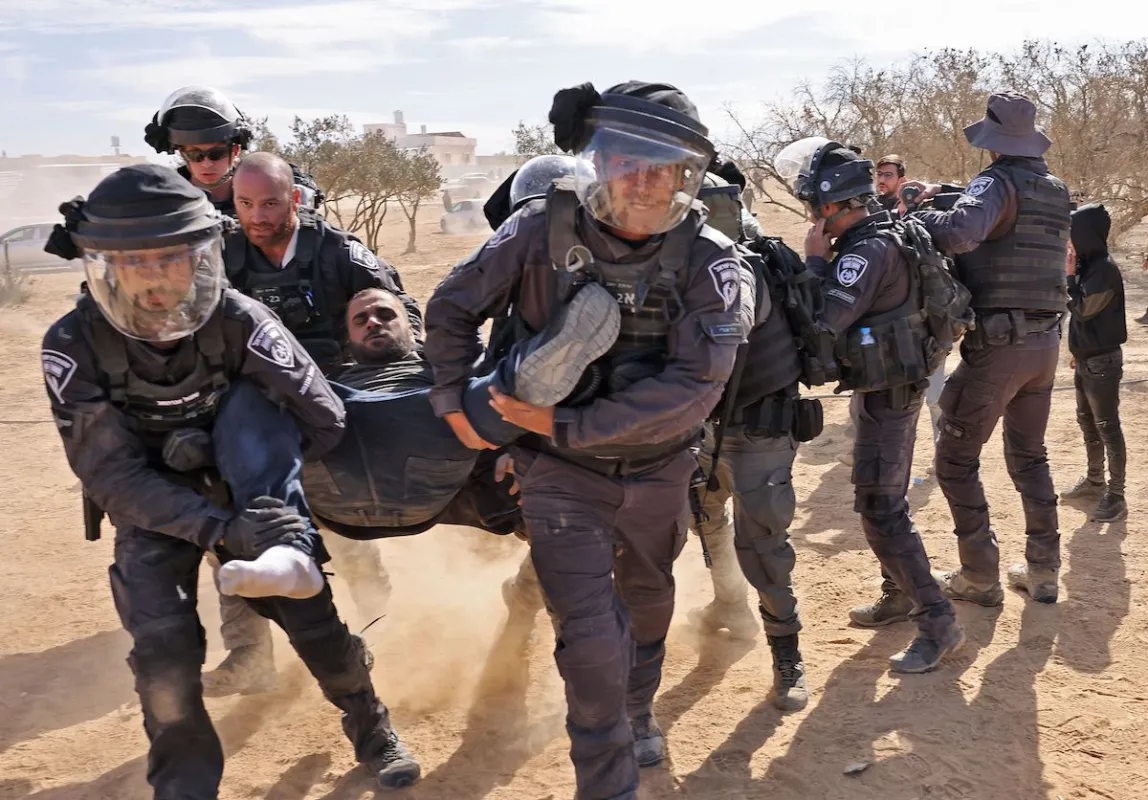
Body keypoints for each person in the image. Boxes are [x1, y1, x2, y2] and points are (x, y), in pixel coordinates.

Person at [38, 164, 421, 796]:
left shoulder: (241, 319)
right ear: (105, 268)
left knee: (314, 624)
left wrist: (257, 469)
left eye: (171, 260)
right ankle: (183, 786)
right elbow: (111, 475)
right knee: (163, 656)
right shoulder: (74, 345)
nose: (157, 280)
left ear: (202, 257)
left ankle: (372, 728)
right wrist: (217, 525)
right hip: (155, 506)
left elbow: (321, 417)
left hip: (252, 493)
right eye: (137, 265)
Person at [425, 81, 746, 798]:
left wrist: (559, 419)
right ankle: (608, 781)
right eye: (631, 161)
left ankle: (639, 709)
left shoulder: (713, 259)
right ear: (599, 161)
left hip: (658, 468)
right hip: (559, 474)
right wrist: (454, 402)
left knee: (649, 598)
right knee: (592, 642)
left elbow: (695, 388)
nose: (646, 182)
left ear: (689, 177)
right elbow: (450, 307)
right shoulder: (538, 230)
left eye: (666, 168)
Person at [202, 151, 410, 696]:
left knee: (345, 514)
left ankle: (382, 619)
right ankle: (248, 653)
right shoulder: (223, 256)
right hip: (256, 405)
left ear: (294, 198)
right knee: (233, 522)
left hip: (337, 401)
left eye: (271, 203)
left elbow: (399, 310)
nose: (258, 216)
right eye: (246, 204)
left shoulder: (339, 251)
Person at [774, 136, 964, 673]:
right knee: (884, 501)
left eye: (816, 207)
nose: (815, 217)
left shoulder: (863, 252)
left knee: (881, 508)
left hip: (890, 392)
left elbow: (820, 326)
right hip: (891, 383)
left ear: (831, 205)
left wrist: (813, 263)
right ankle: (899, 594)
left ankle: (938, 620)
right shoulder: (888, 233)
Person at [902, 91, 1072, 605]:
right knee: (1030, 455)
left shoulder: (994, 182)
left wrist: (919, 215)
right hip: (1044, 344)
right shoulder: (1055, 187)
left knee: (954, 459)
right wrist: (948, 192)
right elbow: (1004, 216)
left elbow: (961, 232)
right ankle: (1043, 570)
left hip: (999, 346)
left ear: (993, 142)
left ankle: (979, 575)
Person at [683, 165, 834, 710]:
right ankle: (729, 605)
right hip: (705, 427)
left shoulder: (741, 269)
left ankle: (786, 656)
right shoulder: (693, 267)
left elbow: (730, 330)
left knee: (764, 547)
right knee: (703, 515)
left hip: (760, 431)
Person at [144, 85, 324, 217]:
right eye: (195, 155)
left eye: (217, 154)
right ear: (181, 154)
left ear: (235, 150)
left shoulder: (268, 189)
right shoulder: (168, 200)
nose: (206, 163)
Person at [1061, 203, 1127, 523]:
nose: (1069, 241)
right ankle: (1094, 480)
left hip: (1103, 362)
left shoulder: (1104, 268)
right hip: (1086, 359)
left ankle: (1116, 494)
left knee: (1107, 427)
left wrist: (1069, 277)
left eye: (1073, 233)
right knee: (1087, 423)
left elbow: (1084, 309)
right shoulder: (1089, 265)